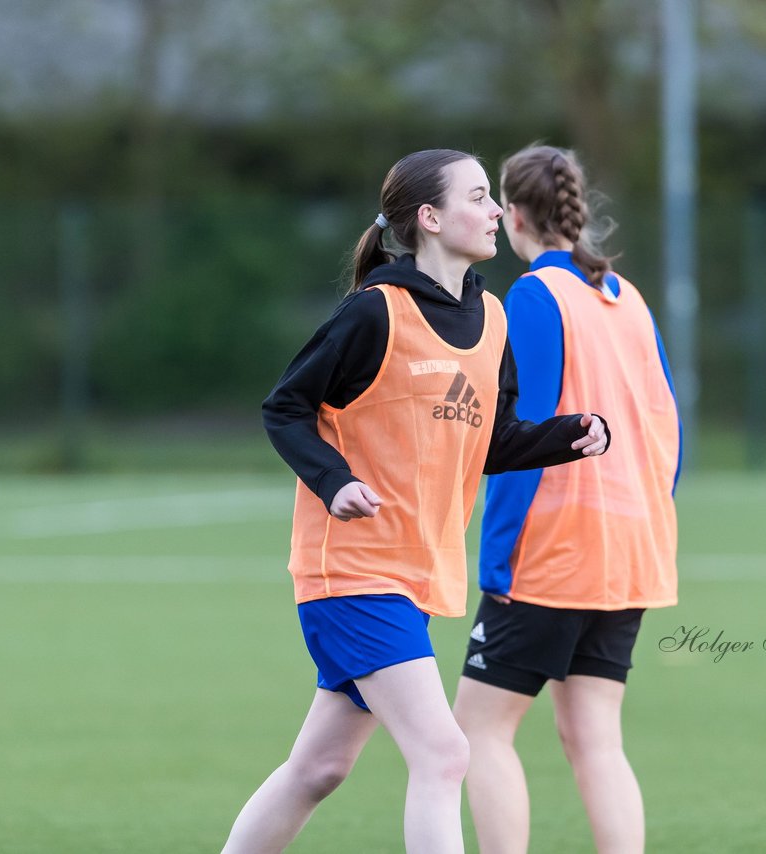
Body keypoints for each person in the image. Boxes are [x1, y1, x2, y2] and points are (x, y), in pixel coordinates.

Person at [221, 148, 611, 854]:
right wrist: (335, 481)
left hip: (416, 578)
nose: (497, 211)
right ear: (429, 218)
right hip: (354, 575)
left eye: (496, 198)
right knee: (445, 753)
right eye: (478, 196)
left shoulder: (491, 318)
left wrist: (564, 437)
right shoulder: (375, 312)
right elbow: (286, 409)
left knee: (319, 768)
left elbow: (490, 443)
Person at [452, 144, 681, 854]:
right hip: (631, 552)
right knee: (594, 738)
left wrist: (499, 557)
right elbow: (668, 428)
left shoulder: (534, 294)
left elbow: (530, 432)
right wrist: (643, 515)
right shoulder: (627, 297)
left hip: (554, 552)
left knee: (478, 731)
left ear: (514, 215)